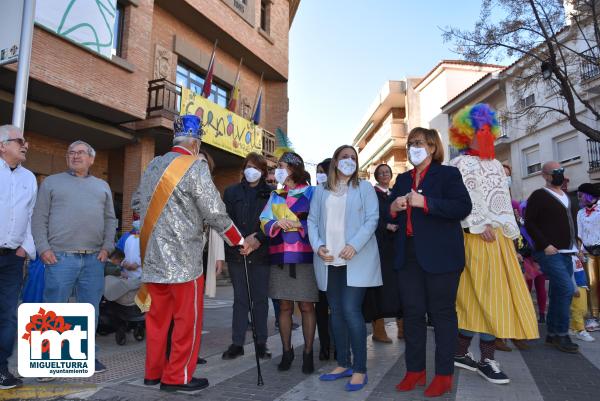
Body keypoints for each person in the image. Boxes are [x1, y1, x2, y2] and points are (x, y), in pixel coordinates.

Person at [132, 115, 250, 392]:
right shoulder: (195, 167)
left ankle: (153, 374)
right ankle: (177, 377)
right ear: (195, 143)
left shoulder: (152, 166)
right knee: (186, 321)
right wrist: (238, 240)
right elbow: (214, 211)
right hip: (184, 261)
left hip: (152, 258)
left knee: (157, 320)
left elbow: (137, 203)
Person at [448, 104, 538, 385]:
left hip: (498, 241)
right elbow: (462, 200)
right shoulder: (459, 164)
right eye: (480, 131)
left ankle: (469, 355)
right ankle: (480, 359)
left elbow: (501, 202)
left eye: (489, 130)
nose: (486, 135)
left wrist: (511, 236)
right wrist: (478, 223)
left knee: (491, 299)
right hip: (474, 238)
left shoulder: (498, 165)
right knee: (481, 299)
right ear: (466, 135)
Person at [389, 127, 471, 397]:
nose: (414, 147)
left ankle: (444, 375)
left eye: (420, 143)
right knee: (412, 315)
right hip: (408, 256)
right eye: (410, 143)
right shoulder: (402, 179)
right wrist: (393, 208)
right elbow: (387, 213)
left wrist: (426, 202)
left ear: (433, 147)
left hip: (441, 257)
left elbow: (462, 207)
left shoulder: (448, 174)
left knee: (442, 315)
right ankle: (415, 372)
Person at [32, 139, 117, 374]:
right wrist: (43, 248)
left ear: (91, 159)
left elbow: (111, 220)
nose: (75, 156)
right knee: (53, 310)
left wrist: (107, 247)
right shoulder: (51, 183)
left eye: (81, 153)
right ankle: (47, 364)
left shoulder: (103, 186)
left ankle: (86, 356)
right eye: (71, 152)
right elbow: (39, 218)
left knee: (89, 310)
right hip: (59, 257)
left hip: (94, 260)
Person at [308, 145, 382, 392]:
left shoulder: (364, 188)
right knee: (336, 312)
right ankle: (343, 363)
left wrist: (354, 244)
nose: (349, 161)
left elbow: (372, 219)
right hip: (329, 260)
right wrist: (318, 246)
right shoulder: (321, 191)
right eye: (344, 157)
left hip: (355, 258)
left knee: (351, 310)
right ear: (335, 162)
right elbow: (312, 221)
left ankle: (360, 369)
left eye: (353, 157)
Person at [260, 151, 318, 374]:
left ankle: (308, 353)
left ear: (294, 168)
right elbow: (264, 220)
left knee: (306, 306)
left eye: (281, 165)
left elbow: (318, 219)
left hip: (305, 257)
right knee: (283, 306)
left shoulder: (312, 192)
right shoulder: (275, 195)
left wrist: (298, 225)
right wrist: (276, 223)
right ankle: (287, 351)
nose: (278, 170)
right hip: (280, 257)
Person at [221, 152, 273, 360]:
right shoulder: (231, 192)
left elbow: (272, 223)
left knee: (260, 300)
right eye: (249, 166)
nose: (252, 171)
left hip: (261, 253)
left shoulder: (271, 194)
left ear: (263, 172)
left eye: (257, 168)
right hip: (237, 253)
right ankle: (237, 343)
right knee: (240, 300)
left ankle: (261, 342)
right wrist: (240, 242)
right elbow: (224, 221)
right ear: (243, 169)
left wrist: (258, 238)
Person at [525, 161, 580, 354]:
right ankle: (562, 333)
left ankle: (553, 333)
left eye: (561, 171)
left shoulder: (567, 196)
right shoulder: (539, 196)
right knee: (566, 289)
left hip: (568, 252)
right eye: (555, 172)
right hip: (549, 252)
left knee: (558, 292)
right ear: (546, 176)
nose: (560, 174)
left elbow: (572, 223)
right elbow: (529, 222)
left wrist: (577, 245)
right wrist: (544, 244)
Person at [0, 125, 36, 390]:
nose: (25, 145)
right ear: (3, 145)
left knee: (9, 316)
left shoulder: (29, 178)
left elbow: (31, 215)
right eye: (19, 141)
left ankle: (2, 370)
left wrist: (25, 248)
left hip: (13, 259)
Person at [369, 163, 402, 343]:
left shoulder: (395, 194)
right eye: (381, 173)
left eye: (387, 172)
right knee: (379, 288)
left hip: (395, 246)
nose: (384, 175)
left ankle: (401, 326)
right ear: (376, 176)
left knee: (398, 286)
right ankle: (379, 329)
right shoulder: (372, 195)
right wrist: (385, 226)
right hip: (379, 246)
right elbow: (370, 218)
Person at [314, 158, 333, 360]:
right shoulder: (314, 193)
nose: (320, 176)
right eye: (317, 172)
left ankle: (339, 344)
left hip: (339, 257)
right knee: (321, 306)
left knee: (338, 308)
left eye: (323, 171)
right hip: (319, 256)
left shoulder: (342, 193)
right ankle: (325, 345)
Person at [576, 183, 600, 332]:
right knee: (592, 283)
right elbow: (579, 234)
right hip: (588, 251)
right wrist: (580, 250)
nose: (579, 198)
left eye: (581, 195)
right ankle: (594, 316)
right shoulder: (580, 213)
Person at [569, 256, 594, 341]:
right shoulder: (568, 257)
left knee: (583, 310)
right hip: (577, 286)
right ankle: (580, 330)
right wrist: (574, 287)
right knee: (578, 309)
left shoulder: (574, 256)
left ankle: (573, 328)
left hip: (582, 285)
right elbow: (570, 273)